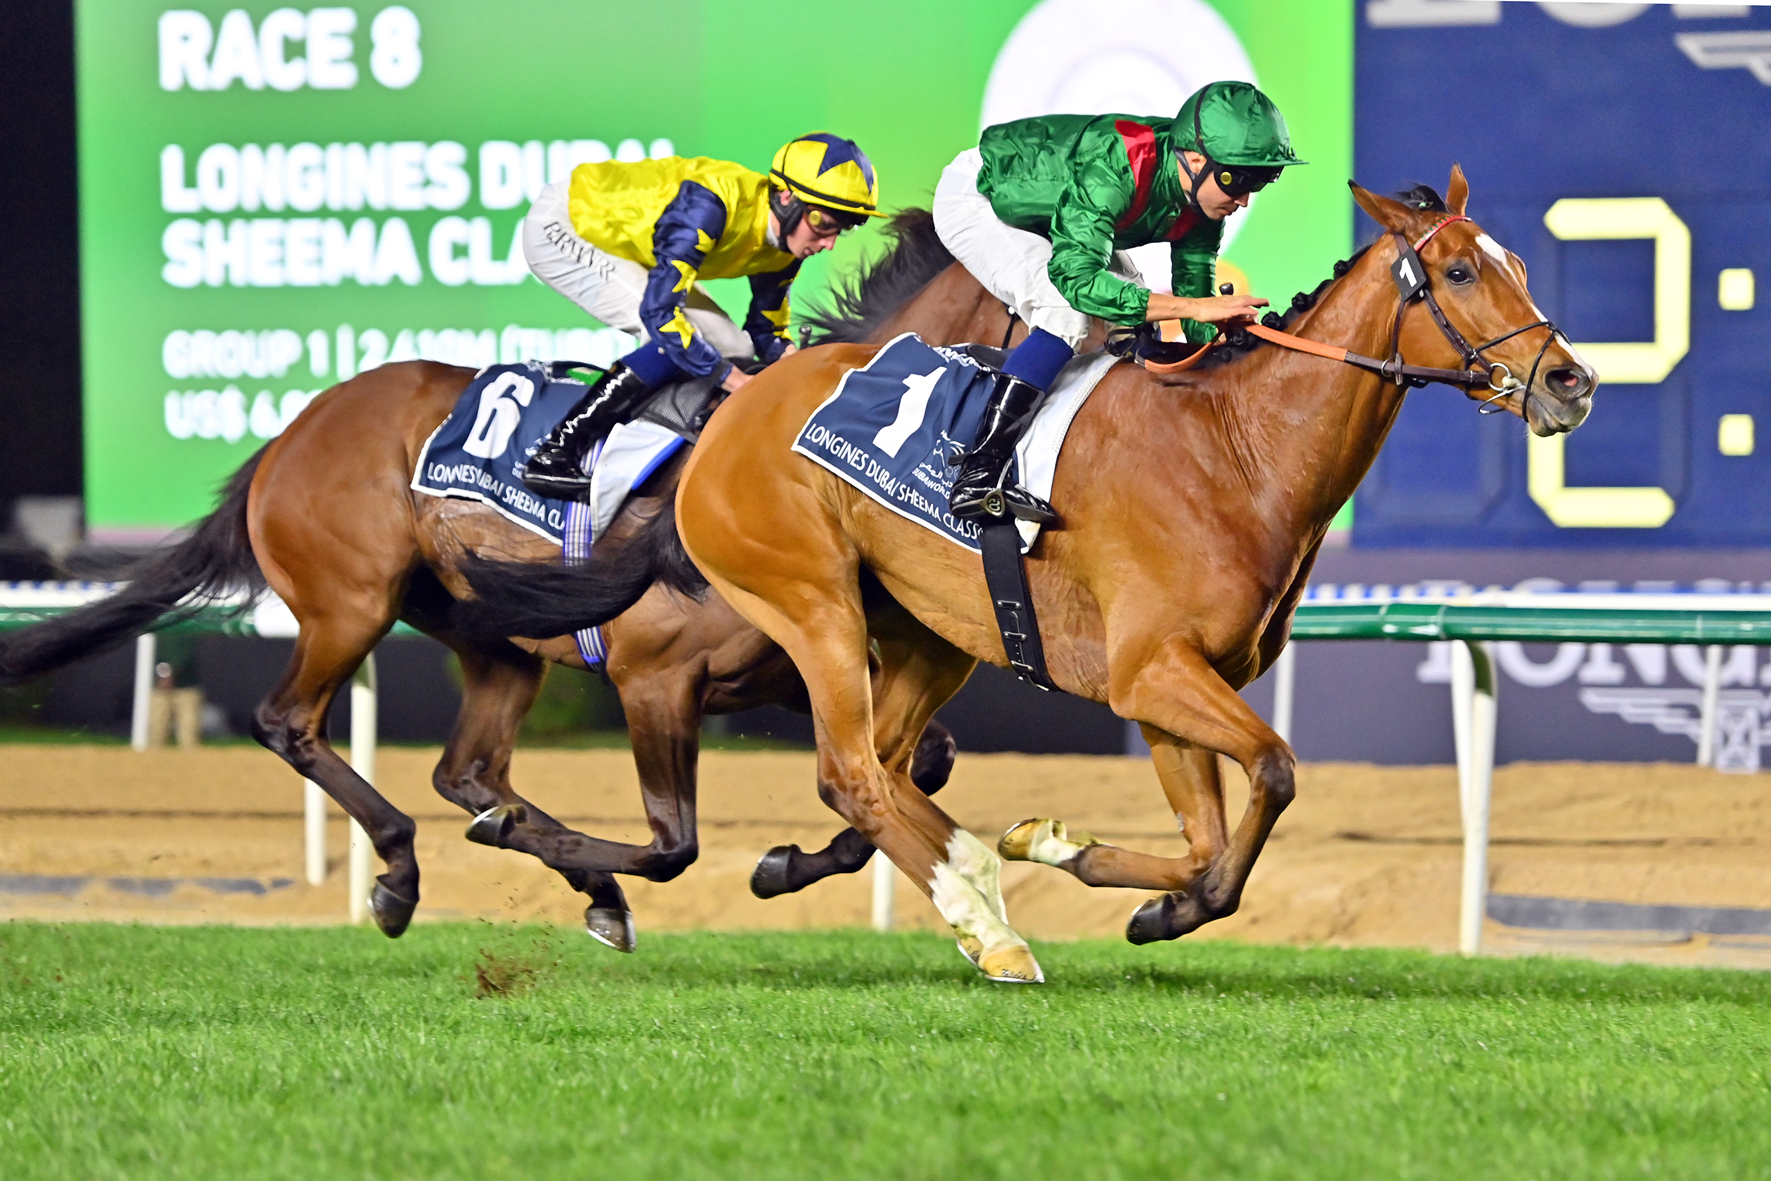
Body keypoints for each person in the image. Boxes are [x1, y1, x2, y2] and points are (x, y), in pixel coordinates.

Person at [932, 80, 1303, 523]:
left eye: (1260, 181)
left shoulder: (1203, 199)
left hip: (1060, 207)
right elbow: (1080, 281)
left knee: (1132, 322)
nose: (1243, 199)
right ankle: (978, 472)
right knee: (1066, 309)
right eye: (1237, 180)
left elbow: (1194, 295)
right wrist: (1195, 310)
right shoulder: (1118, 166)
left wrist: (1226, 338)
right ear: (1196, 160)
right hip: (981, 196)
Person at [517, 133, 884, 499]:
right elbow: (659, 314)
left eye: (843, 227)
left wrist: (796, 364)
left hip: (631, 241)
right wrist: (733, 380)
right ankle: (555, 452)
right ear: (785, 197)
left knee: (733, 345)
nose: (829, 242)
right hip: (567, 224)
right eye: (822, 221)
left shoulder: (790, 246)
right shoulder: (710, 206)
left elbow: (764, 330)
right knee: (675, 335)